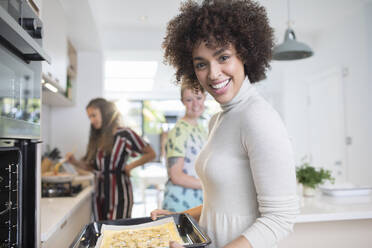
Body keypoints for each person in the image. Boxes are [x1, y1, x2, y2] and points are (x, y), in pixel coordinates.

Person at [151, 1, 299, 248]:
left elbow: (280, 218)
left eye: (223, 57)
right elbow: (218, 201)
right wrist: (181, 216)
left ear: (245, 53)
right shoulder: (217, 120)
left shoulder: (258, 117)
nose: (213, 73)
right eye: (201, 64)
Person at [66, 98, 156, 220]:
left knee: (118, 232)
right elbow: (92, 167)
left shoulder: (125, 134)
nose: (92, 120)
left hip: (120, 195)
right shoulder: (96, 138)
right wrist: (74, 161)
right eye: (89, 117)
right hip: (100, 195)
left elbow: (151, 153)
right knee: (103, 232)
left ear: (105, 112)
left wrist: (130, 166)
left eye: (94, 115)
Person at [162, 83, 207, 212]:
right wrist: (210, 186)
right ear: (182, 101)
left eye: (198, 98)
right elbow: (176, 176)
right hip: (180, 203)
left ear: (204, 97)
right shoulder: (178, 132)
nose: (195, 104)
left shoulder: (201, 129)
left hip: (198, 202)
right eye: (189, 100)